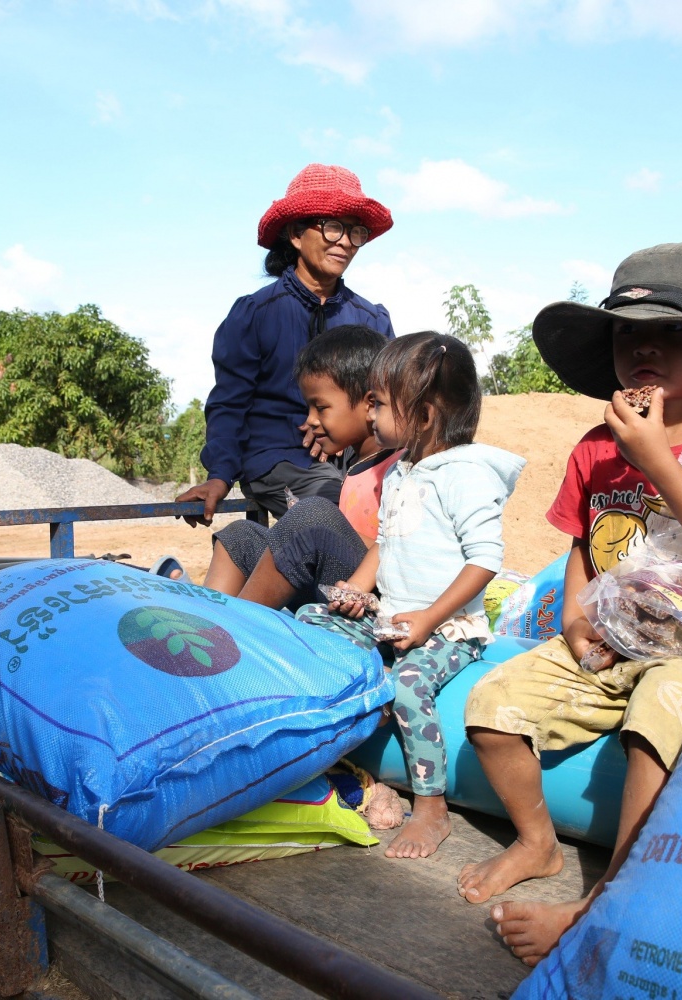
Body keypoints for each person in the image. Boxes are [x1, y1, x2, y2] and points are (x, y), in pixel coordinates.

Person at [453, 243, 682, 964]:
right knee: (490, 706)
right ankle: (538, 842)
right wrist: (574, 624)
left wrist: (656, 459)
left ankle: (609, 900)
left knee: (655, 722)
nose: (644, 344)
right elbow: (583, 545)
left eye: (672, 331)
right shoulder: (595, 446)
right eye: (627, 331)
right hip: (609, 640)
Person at [297, 332, 525, 859]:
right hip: (393, 618)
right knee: (310, 616)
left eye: (378, 402)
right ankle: (333, 737)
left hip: (448, 628)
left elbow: (485, 559)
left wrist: (430, 617)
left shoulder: (466, 474)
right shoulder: (402, 468)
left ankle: (430, 806)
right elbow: (386, 541)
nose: (370, 413)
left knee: (409, 683)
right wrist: (356, 589)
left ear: (422, 415)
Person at [178, 164, 394, 524]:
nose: (345, 242)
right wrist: (220, 474)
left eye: (356, 231)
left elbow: (391, 400)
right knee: (338, 511)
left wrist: (342, 431)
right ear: (295, 234)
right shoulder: (255, 314)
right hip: (277, 458)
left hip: (358, 461)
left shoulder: (372, 321)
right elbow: (229, 403)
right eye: (333, 227)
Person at [205, 324, 400, 609]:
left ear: (370, 405)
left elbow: (402, 551)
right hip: (336, 586)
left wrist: (319, 528)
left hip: (374, 598)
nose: (310, 420)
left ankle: (235, 629)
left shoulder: (402, 468)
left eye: (320, 408)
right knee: (240, 536)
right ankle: (207, 619)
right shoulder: (356, 465)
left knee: (313, 515)